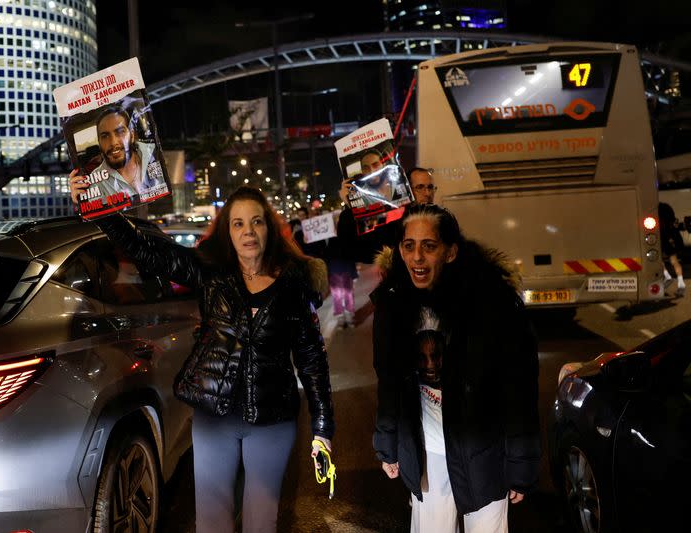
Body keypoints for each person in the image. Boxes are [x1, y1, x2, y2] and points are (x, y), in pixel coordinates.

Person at [69, 177, 335, 533]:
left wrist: (322, 429)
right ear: (227, 231)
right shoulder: (211, 272)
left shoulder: (294, 284)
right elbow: (144, 249)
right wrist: (97, 205)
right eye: (238, 223)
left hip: (273, 419)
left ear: (269, 227)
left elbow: (312, 359)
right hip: (214, 416)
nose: (248, 232)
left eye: (256, 221)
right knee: (212, 521)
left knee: (262, 521)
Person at [372, 203, 540, 533]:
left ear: (450, 253)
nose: (417, 257)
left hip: (484, 453)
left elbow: (519, 389)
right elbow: (389, 383)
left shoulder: (492, 304)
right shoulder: (393, 308)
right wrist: (387, 443)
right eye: (409, 246)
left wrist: (521, 462)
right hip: (427, 455)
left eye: (429, 246)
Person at [336, 166, 437, 265]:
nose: (427, 193)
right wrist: (354, 209)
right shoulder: (394, 219)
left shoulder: (441, 218)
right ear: (407, 189)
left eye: (430, 187)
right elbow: (354, 251)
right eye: (420, 187)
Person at [84, 105, 162, 203]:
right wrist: (80, 200)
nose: (113, 142)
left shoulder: (154, 154)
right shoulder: (95, 182)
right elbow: (96, 216)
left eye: (120, 132)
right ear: (99, 143)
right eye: (105, 136)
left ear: (132, 136)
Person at [659, 201, 686, 297]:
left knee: (658, 261)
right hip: (672, 239)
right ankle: (681, 285)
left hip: (663, 239)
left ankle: (667, 276)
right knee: (674, 261)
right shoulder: (668, 210)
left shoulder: (657, 211)